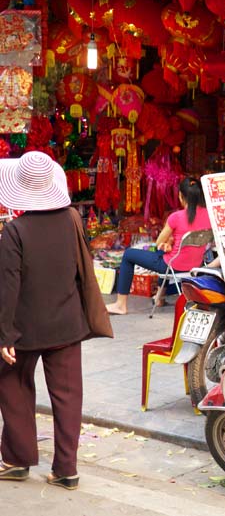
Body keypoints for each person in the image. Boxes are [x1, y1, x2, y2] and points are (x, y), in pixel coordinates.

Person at [0, 151, 111, 490]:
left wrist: (4, 334)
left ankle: (17, 459)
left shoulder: (15, 231)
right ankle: (66, 469)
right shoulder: (72, 219)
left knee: (13, 386)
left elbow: (8, 286)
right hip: (66, 323)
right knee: (67, 395)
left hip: (24, 329)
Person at [106, 176, 211, 315]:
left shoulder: (176, 217)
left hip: (174, 265)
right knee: (165, 254)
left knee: (129, 254)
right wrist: (171, 242)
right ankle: (159, 297)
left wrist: (168, 242)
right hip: (195, 266)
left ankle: (120, 305)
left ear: (181, 196)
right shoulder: (209, 215)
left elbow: (158, 243)